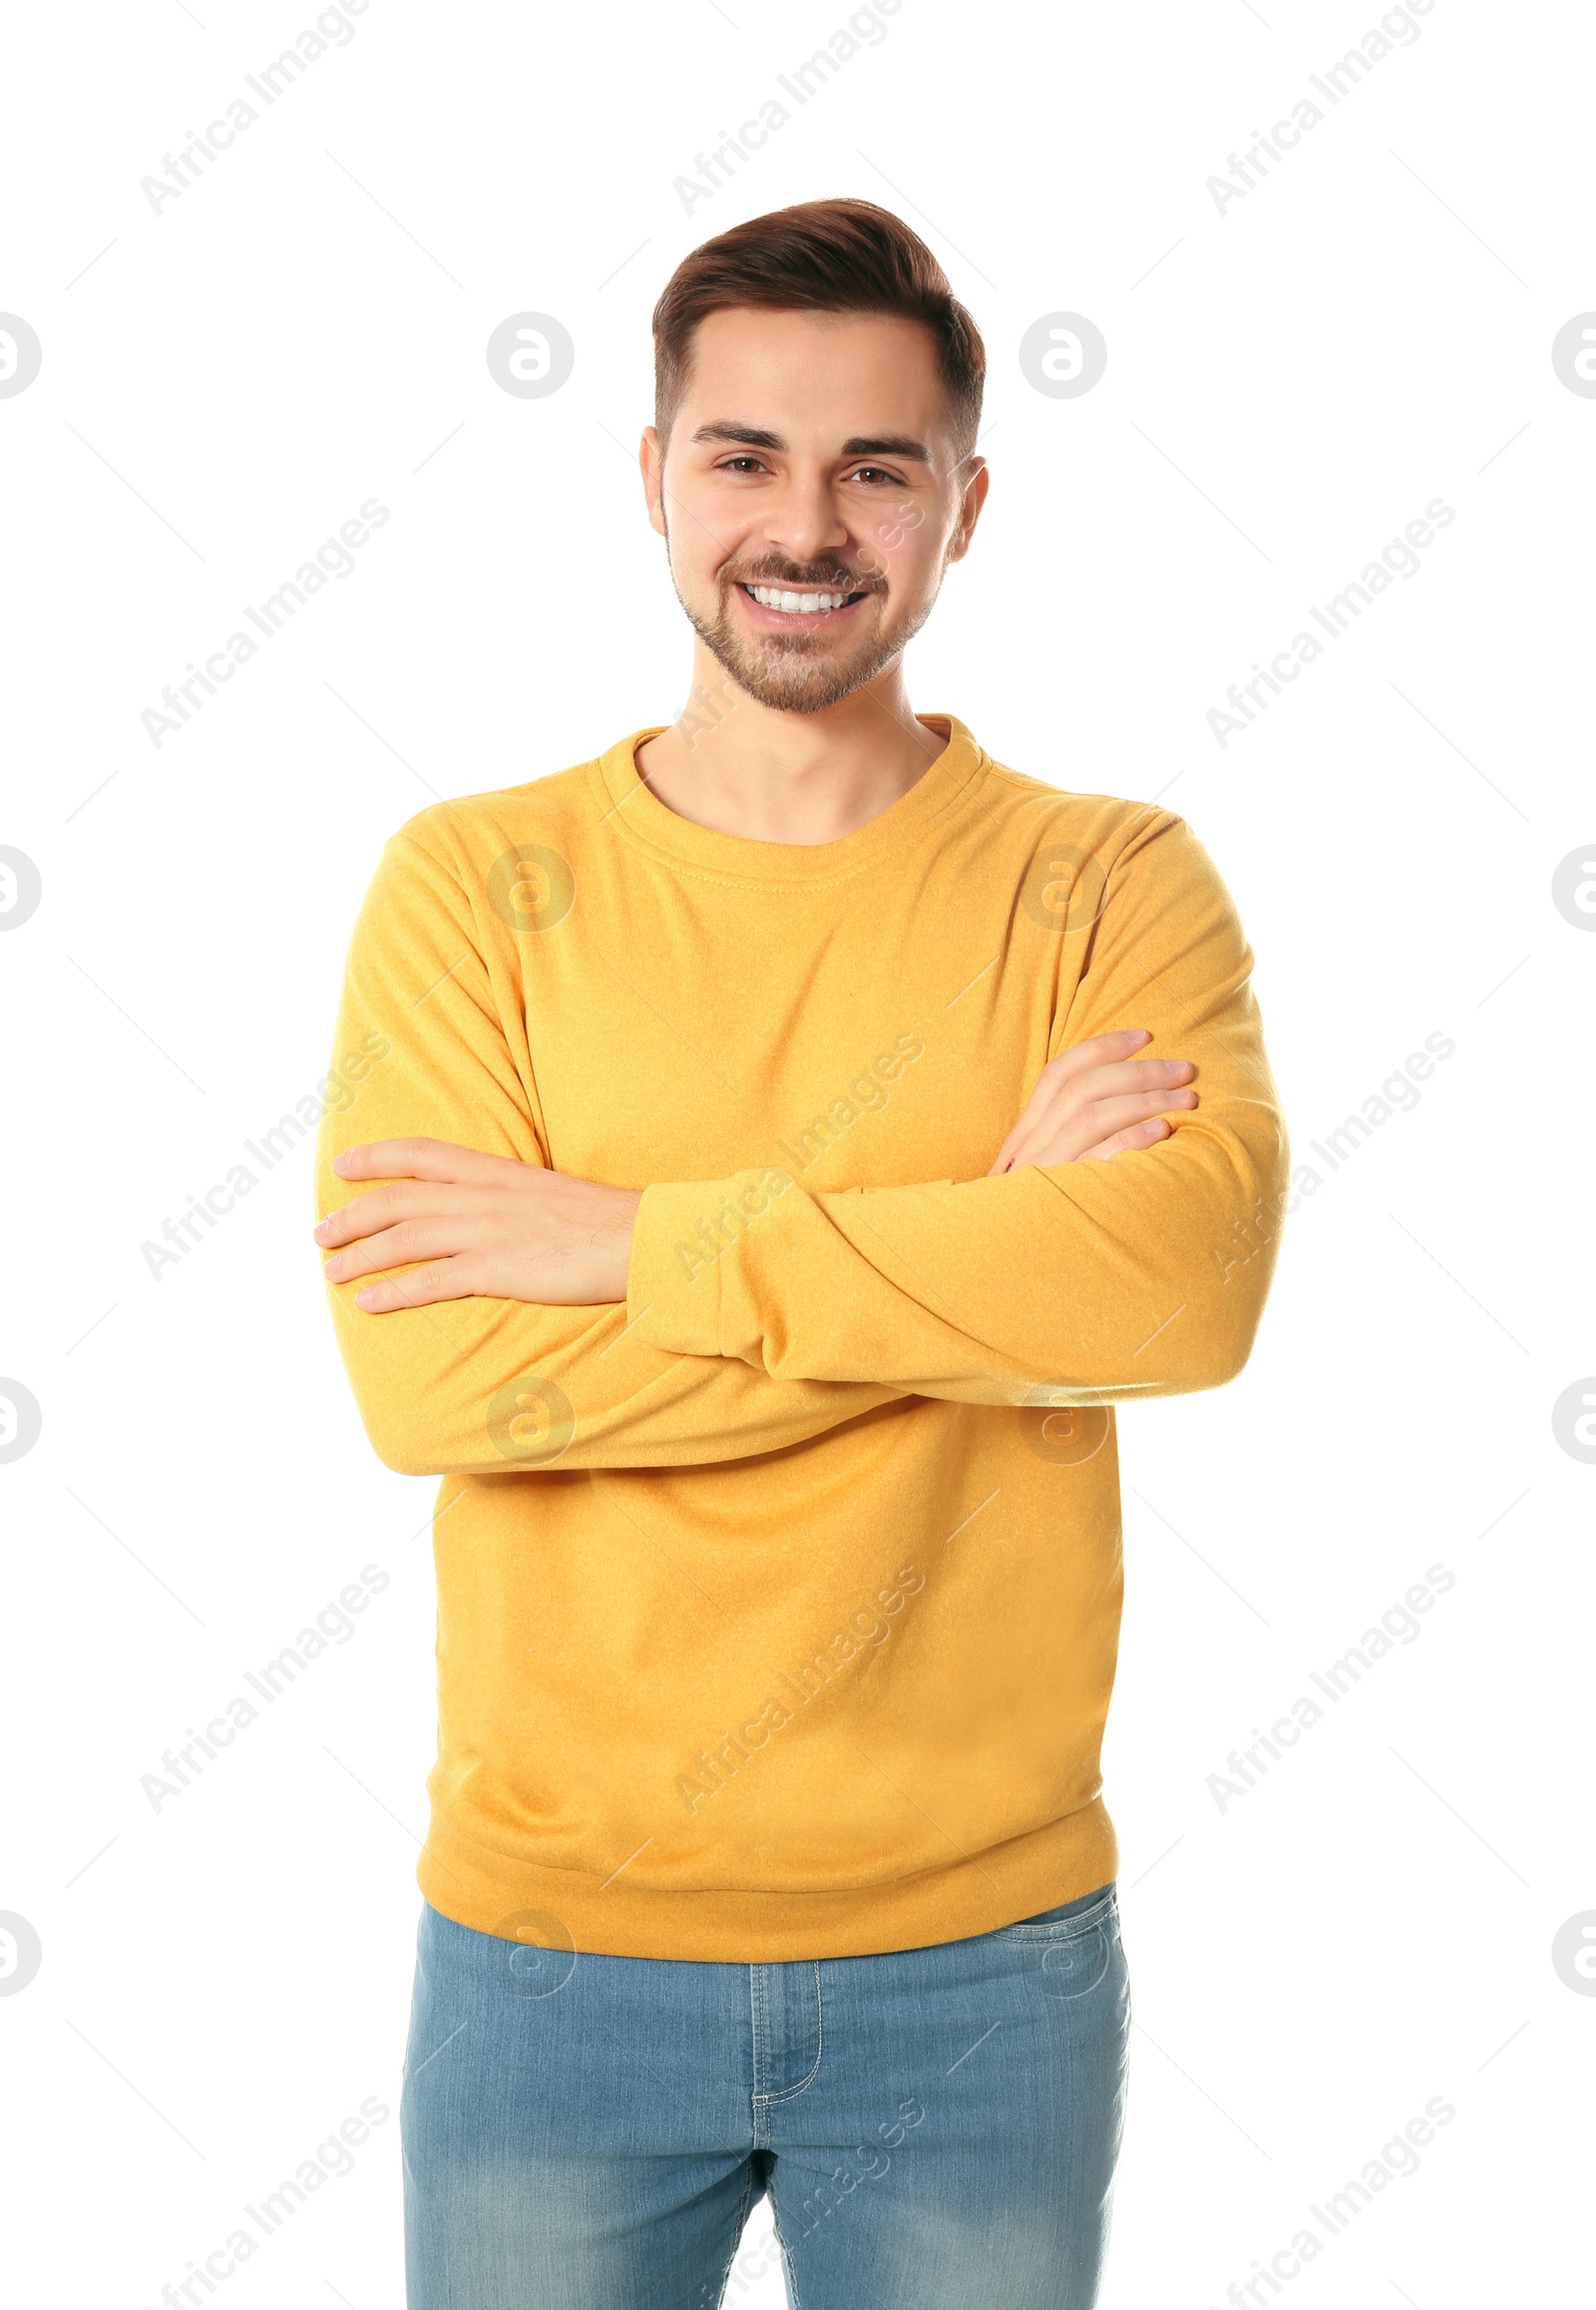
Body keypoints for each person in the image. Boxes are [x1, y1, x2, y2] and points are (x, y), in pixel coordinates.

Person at [312, 196, 1286, 2310]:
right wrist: (989, 1277)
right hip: (550, 1955)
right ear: (653, 480)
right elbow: (433, 1381)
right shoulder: (473, 885)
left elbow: (1181, 1295)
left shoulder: (1104, 883)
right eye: (743, 455)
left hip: (980, 1962)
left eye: (875, 466)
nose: (804, 522)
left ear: (963, 507)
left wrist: (618, 1243)